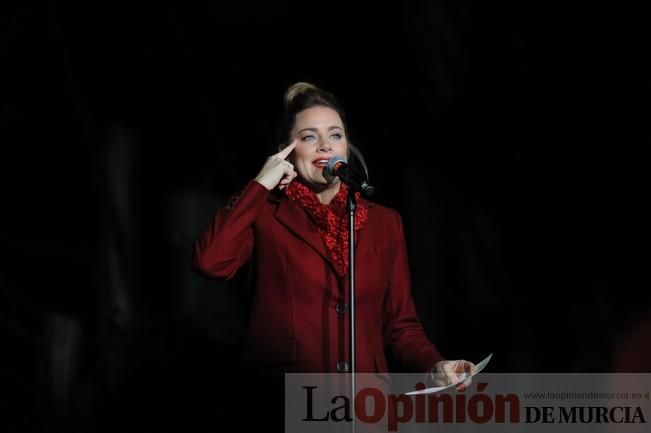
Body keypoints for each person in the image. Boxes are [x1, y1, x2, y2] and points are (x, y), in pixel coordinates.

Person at [191, 82, 475, 426]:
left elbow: (401, 325)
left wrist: (435, 364)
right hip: (283, 402)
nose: (325, 144)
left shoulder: (384, 222)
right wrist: (259, 185)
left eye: (335, 135)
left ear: (347, 145)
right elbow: (210, 262)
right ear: (286, 151)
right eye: (309, 137)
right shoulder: (264, 213)